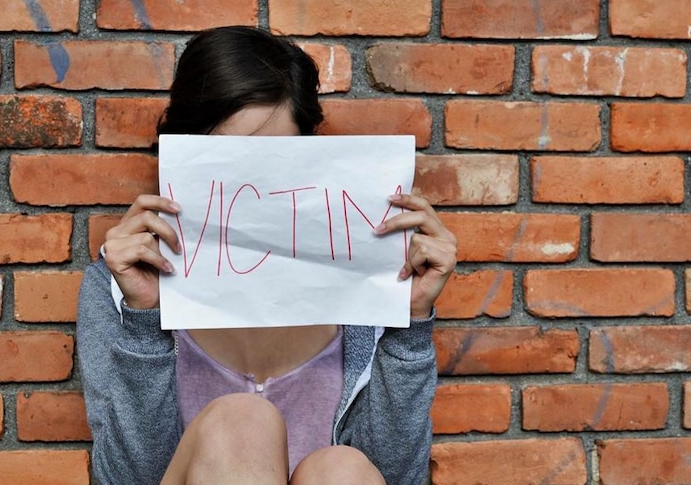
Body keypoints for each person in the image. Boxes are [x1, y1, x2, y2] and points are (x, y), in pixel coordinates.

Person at [77, 26, 457, 485]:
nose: (252, 189)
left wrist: (408, 322)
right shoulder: (116, 288)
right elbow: (125, 479)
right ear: (179, 153)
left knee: (343, 469)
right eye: (228, 159)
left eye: (274, 157)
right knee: (241, 424)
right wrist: (143, 319)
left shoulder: (369, 281)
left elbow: (396, 476)